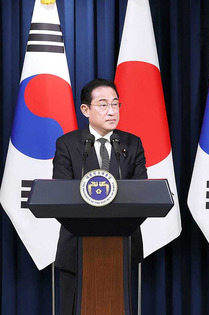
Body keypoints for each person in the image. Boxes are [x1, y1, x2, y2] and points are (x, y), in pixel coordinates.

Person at [52, 78, 147, 314]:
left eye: (115, 104)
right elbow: (61, 194)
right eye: (103, 105)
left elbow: (142, 193)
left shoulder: (131, 144)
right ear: (86, 110)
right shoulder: (68, 144)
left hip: (122, 247)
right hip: (76, 247)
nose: (111, 111)